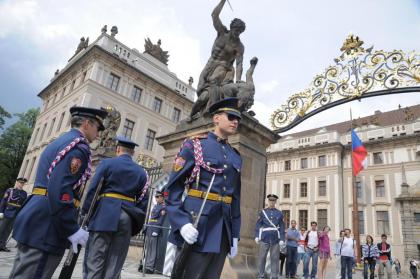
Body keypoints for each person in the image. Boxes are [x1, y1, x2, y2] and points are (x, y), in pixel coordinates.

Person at [9, 106, 107, 278]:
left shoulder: (62, 141)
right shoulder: (78, 148)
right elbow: (61, 191)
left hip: (38, 217)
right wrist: (71, 228)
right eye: (97, 128)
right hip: (48, 223)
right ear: (86, 123)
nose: (98, 135)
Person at [166, 97, 242, 279]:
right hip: (198, 223)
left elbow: (236, 198)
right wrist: (181, 222)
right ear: (216, 118)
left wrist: (235, 234)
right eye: (231, 116)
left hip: (223, 227)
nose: (236, 121)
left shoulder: (235, 155)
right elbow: (173, 189)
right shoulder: (195, 144)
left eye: (238, 118)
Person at [83, 136, 148, 279]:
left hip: (104, 215)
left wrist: (86, 215)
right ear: (132, 153)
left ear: (118, 149)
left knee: (95, 260)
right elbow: (143, 202)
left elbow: (93, 190)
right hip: (126, 218)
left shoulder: (107, 163)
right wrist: (134, 225)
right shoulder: (142, 172)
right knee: (115, 263)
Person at [189, 0, 246, 119]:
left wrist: (239, 80)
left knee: (212, 88)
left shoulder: (239, 46)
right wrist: (223, 1)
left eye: (240, 32)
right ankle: (195, 114)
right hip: (210, 64)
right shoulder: (221, 32)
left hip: (224, 69)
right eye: (236, 30)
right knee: (201, 91)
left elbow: (239, 64)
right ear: (232, 28)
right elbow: (214, 15)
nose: (237, 33)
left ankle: (213, 110)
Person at [255, 194, 285, 279]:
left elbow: (282, 227)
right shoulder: (263, 212)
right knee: (262, 257)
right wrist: (257, 236)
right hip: (264, 237)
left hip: (275, 239)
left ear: (275, 202)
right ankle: (260, 276)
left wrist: (282, 238)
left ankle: (274, 276)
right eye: (270, 200)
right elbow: (258, 224)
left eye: (273, 201)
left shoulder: (279, 213)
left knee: (275, 258)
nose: (272, 202)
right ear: (268, 201)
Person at [0, 177, 28, 252]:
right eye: (20, 183)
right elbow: (4, 201)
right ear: (17, 183)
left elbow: (23, 205)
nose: (21, 184)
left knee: (8, 231)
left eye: (22, 183)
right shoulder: (10, 190)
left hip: (15, 214)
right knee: (1, 229)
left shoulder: (24, 193)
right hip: (7, 212)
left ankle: (2, 245)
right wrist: (1, 212)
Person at [143, 190, 166, 274]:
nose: (156, 198)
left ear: (162, 198)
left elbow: (161, 220)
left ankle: (150, 267)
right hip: (150, 227)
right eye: (156, 197)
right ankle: (146, 265)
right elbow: (151, 217)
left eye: (158, 197)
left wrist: (156, 230)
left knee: (153, 249)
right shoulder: (156, 206)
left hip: (155, 228)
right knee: (148, 248)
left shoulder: (163, 207)